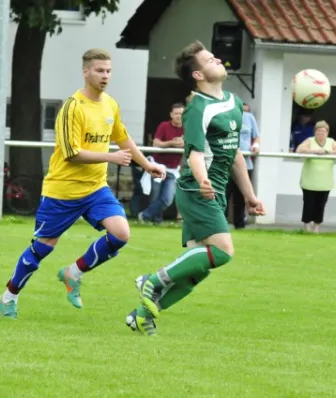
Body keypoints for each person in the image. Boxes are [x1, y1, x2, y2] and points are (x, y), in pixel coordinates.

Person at [0, 48, 165, 319]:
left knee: (121, 233)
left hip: (95, 189)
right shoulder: (72, 107)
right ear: (86, 72)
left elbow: (123, 139)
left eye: (108, 70)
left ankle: (73, 273)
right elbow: (72, 154)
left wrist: (146, 164)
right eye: (99, 70)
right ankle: (9, 296)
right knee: (42, 248)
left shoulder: (110, 104)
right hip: (63, 190)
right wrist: (110, 157)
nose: (105, 76)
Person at [124, 41, 265, 336]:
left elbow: (236, 154)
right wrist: (202, 179)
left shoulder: (235, 103)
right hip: (195, 189)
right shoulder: (196, 109)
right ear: (198, 75)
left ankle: (142, 316)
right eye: (209, 59)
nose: (217, 60)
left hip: (215, 190)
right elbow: (194, 154)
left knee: (197, 269)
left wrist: (250, 195)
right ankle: (153, 279)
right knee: (223, 252)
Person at [295, 120, 336, 232]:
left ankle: (317, 226)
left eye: (323, 132)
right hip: (310, 180)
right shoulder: (310, 141)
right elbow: (299, 149)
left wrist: (329, 152)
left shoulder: (331, 142)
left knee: (321, 204)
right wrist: (314, 151)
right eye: (318, 132)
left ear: (327, 132)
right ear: (315, 132)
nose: (321, 134)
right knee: (308, 203)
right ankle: (307, 226)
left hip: (325, 181)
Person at [139, 103, 184, 223]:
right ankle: (156, 220)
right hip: (158, 167)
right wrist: (171, 143)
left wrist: (183, 143)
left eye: (181, 113)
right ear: (171, 115)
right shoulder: (164, 126)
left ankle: (144, 216)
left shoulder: (188, 127)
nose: (179, 116)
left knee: (167, 199)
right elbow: (156, 143)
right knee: (154, 196)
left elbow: (189, 143)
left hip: (173, 170)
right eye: (176, 113)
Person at [225, 102, 260, 229]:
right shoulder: (224, 117)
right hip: (226, 162)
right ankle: (220, 225)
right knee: (224, 195)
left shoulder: (249, 118)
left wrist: (256, 145)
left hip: (245, 162)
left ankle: (239, 224)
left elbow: (256, 136)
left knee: (241, 195)